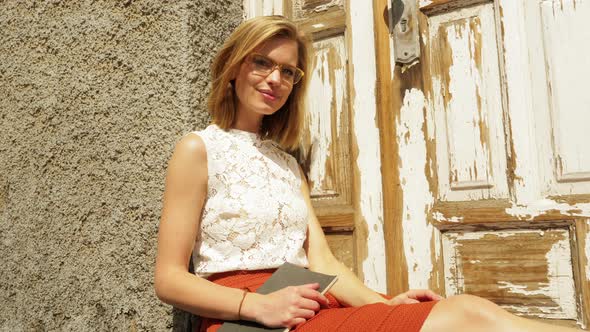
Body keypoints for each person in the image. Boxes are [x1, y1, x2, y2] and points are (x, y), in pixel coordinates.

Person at [154, 15, 577, 332]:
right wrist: (256, 307)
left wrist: (386, 303)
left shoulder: (286, 163)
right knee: (467, 316)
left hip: (311, 302)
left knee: (471, 313)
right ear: (233, 68)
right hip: (250, 318)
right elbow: (169, 279)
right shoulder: (198, 148)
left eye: (288, 71)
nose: (275, 79)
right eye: (262, 62)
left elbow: (322, 261)